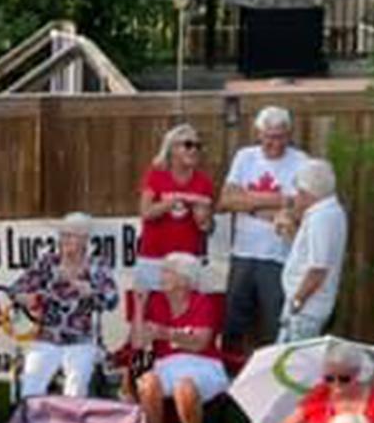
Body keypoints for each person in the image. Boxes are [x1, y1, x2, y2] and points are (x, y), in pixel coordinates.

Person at [217, 107, 309, 351]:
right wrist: (278, 200)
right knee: (233, 321)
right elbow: (226, 201)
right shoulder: (245, 157)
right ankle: (230, 375)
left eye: (279, 136)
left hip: (279, 256)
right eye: (268, 136)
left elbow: (297, 207)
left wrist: (248, 203)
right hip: (243, 254)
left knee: (274, 323)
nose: (273, 142)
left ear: (289, 134)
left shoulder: (301, 162)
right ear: (258, 133)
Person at [11, 212, 120, 400]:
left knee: (75, 391)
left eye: (72, 235)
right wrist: (24, 298)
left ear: (85, 240)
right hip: (47, 337)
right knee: (31, 385)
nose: (65, 240)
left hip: (81, 339)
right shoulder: (48, 262)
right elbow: (15, 289)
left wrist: (91, 291)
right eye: (63, 235)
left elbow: (112, 300)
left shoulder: (96, 266)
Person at [132, 252, 228, 423]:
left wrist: (167, 333)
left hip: (201, 364)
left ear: (185, 280)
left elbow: (201, 343)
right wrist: (139, 307)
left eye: (167, 272)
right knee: (147, 382)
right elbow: (138, 343)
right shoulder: (156, 302)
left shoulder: (202, 303)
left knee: (184, 387)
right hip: (166, 364)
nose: (161, 276)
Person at [135, 123, 216, 288]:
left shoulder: (203, 182)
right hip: (154, 258)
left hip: (189, 260)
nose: (193, 150)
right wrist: (173, 201)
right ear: (172, 148)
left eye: (197, 146)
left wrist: (204, 221)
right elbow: (146, 212)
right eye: (188, 145)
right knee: (153, 311)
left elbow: (208, 227)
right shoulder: (156, 176)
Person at [280, 160, 348, 344]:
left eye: (299, 191)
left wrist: (297, 302)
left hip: (306, 310)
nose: (297, 196)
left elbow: (318, 268)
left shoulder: (322, 218)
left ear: (307, 192)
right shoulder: (329, 212)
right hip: (307, 306)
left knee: (293, 363)